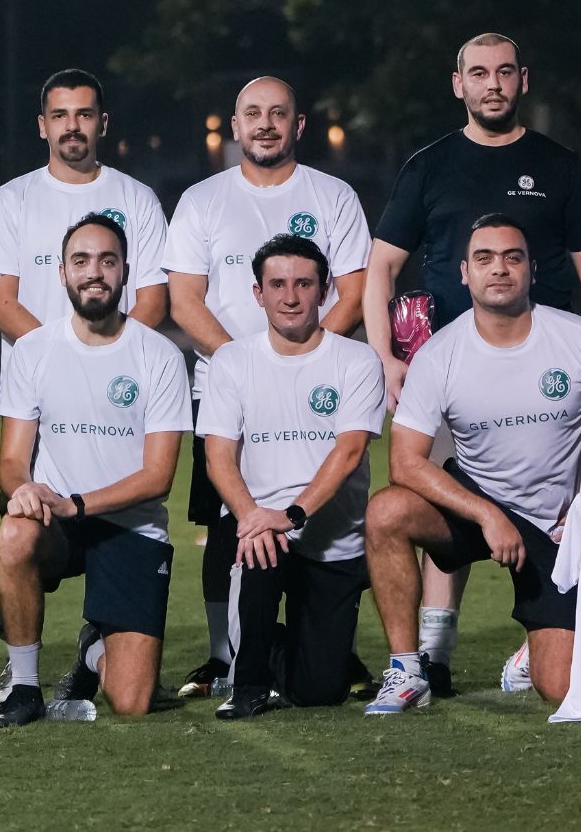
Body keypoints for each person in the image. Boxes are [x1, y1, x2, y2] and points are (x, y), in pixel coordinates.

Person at [363, 32, 581, 694]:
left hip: (544, 369)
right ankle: (430, 655)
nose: (493, 84)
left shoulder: (557, 165)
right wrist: (386, 356)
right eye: (479, 73)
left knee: (550, 503)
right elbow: (382, 265)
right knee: (444, 500)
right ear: (459, 85)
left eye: (504, 72)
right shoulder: (429, 165)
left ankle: (548, 638)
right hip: (448, 371)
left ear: (522, 80)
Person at [362, 215, 581, 714]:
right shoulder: (440, 354)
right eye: (484, 259)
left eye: (513, 257)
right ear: (464, 273)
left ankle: (533, 653)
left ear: (531, 269)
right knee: (386, 512)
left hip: (560, 528)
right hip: (477, 509)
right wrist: (487, 515)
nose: (499, 269)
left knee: (563, 688)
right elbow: (404, 462)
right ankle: (406, 669)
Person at [163, 76, 370, 698]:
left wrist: (304, 359)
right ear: (235, 124)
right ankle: (224, 654)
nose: (266, 124)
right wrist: (247, 367)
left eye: (279, 113)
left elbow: (354, 291)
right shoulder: (201, 200)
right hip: (226, 385)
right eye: (253, 113)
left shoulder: (333, 196)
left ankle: (331, 648)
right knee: (226, 522)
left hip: (318, 391)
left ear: (298, 124)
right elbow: (184, 298)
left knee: (324, 512)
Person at [0, 213, 192, 727]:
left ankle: (92, 651)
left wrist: (75, 503)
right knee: (15, 533)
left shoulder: (160, 356)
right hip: (57, 522)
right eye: (81, 261)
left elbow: (158, 476)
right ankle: (25, 688)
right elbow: (11, 461)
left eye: (107, 260)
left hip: (130, 526)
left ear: (125, 271)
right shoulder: (33, 351)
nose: (94, 272)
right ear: (62, 273)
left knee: (131, 702)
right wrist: (26, 490)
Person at [197, 235, 385, 719]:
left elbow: (350, 451)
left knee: (320, 690)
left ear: (324, 292)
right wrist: (253, 516)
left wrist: (292, 514)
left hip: (332, 542)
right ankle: (250, 684)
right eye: (277, 284)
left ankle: (281, 647)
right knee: (259, 548)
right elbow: (218, 456)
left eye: (304, 284)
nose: (291, 296)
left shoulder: (356, 361)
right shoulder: (232, 361)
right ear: (258, 293)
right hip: (261, 532)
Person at [0, 68, 170, 366]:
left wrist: (108, 354)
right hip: (36, 378)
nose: (72, 125)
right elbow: (1, 303)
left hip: (118, 375)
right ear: (43, 125)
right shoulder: (10, 200)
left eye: (85, 115)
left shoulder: (139, 199)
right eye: (60, 115)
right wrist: (63, 360)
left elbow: (154, 300)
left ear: (102, 124)